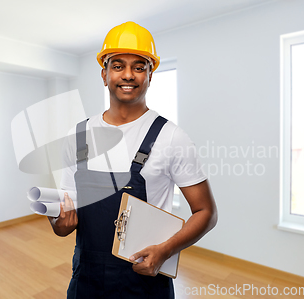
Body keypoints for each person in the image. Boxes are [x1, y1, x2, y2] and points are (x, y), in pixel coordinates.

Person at [49, 21, 218, 299]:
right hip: (86, 280)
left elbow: (206, 213)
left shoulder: (171, 137)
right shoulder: (77, 136)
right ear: (104, 75)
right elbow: (64, 213)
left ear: (150, 76)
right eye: (118, 66)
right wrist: (59, 224)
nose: (128, 75)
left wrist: (165, 251)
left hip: (144, 278)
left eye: (139, 67)